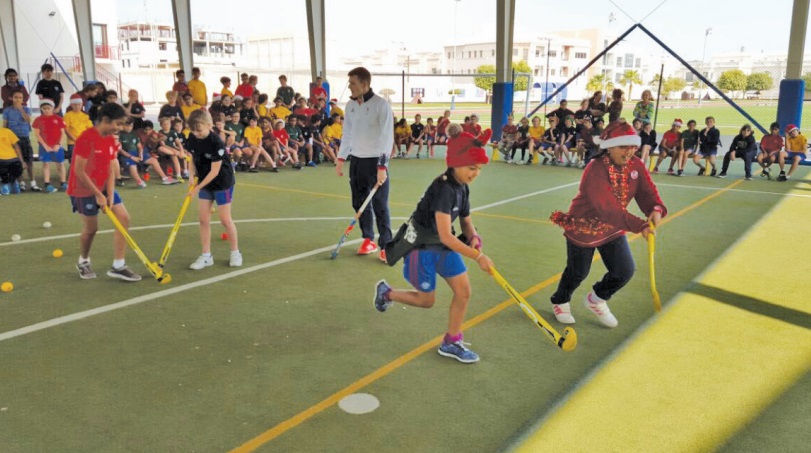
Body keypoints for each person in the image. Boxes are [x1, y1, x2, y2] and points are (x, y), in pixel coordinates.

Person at [374, 124, 493, 363]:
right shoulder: (444, 188)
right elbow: (447, 235)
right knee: (427, 301)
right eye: (472, 167)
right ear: (456, 163)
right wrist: (477, 256)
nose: (475, 173)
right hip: (422, 248)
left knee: (464, 292)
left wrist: (474, 237)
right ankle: (387, 293)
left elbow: (466, 222)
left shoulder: (463, 188)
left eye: (479, 169)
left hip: (442, 245)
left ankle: (451, 341)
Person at [549, 120, 666, 327]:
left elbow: (647, 192)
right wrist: (641, 226)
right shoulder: (595, 169)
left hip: (612, 227)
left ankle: (597, 299)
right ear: (609, 147)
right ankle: (560, 300)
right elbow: (608, 209)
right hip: (584, 226)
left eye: (632, 147)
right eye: (623, 147)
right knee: (578, 272)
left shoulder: (636, 165)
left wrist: (655, 209)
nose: (629, 152)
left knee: (624, 270)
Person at [67, 102, 142, 281]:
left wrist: (108, 192)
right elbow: (79, 171)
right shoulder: (86, 138)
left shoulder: (110, 139)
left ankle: (118, 265)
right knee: (91, 229)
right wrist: (98, 194)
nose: (119, 128)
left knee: (123, 218)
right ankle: (83, 261)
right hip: (82, 190)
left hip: (103, 187)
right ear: (106, 120)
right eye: (117, 123)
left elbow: (109, 168)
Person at [335, 67, 394, 261]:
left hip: (376, 162)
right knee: (359, 202)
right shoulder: (350, 106)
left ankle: (386, 245)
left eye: (352, 83)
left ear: (365, 84)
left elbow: (387, 137)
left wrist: (382, 166)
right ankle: (368, 239)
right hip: (357, 161)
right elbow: (348, 133)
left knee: (380, 205)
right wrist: (341, 158)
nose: (349, 87)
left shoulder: (381, 105)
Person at [185, 110, 242, 270]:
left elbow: (215, 171)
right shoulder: (192, 137)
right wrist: (191, 177)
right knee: (203, 219)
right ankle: (206, 255)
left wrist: (197, 188)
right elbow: (192, 158)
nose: (196, 134)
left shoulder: (216, 142)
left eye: (199, 130)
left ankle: (235, 252)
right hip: (204, 180)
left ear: (209, 126)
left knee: (225, 220)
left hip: (221, 182)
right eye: (193, 130)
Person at [2, 90, 37, 191]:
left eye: (20, 98)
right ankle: (21, 183)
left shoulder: (26, 109)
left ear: (23, 99)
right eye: (16, 97)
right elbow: (5, 125)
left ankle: (33, 183)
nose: (18, 99)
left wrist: (21, 109)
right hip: (13, 139)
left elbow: (28, 120)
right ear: (11, 98)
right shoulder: (7, 110)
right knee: (17, 161)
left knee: (29, 160)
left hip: (25, 137)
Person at [32, 99, 67, 193]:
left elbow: (62, 133)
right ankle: (47, 184)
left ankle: (63, 183)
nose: (46, 110)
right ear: (41, 109)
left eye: (48, 108)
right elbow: (37, 134)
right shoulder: (38, 120)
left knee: (60, 164)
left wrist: (58, 144)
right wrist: (45, 146)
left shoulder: (59, 119)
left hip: (57, 146)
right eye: (44, 108)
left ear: (53, 108)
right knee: (46, 164)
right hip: (44, 147)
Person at [64, 94, 93, 163]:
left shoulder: (85, 116)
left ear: (82, 105)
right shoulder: (67, 115)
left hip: (84, 142)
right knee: (74, 161)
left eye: (79, 104)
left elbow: (90, 130)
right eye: (75, 105)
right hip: (73, 142)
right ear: (71, 105)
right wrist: (74, 139)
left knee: (85, 160)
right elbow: (66, 129)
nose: (77, 106)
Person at [0, 121, 25, 195]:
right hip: (14, 161)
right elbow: (16, 146)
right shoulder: (7, 131)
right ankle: (14, 186)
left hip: (3, 162)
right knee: (12, 175)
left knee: (4, 174)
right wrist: (22, 161)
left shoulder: (7, 131)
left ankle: (5, 187)